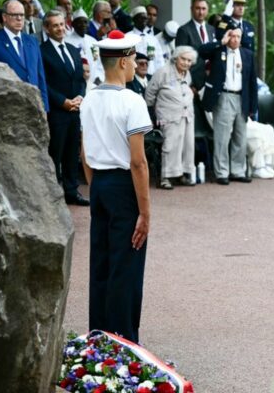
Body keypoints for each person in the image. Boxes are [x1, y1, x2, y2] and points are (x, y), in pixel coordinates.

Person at [80, 30, 152, 343]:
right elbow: (138, 163)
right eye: (134, 58)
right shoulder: (132, 101)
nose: (136, 63)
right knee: (126, 268)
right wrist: (145, 212)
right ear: (123, 61)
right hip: (124, 186)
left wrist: (97, 186)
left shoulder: (89, 98)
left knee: (101, 264)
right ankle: (124, 342)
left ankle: (99, 337)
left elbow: (84, 153)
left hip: (99, 183)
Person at [40, 10, 88, 206]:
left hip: (75, 110)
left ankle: (71, 191)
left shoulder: (73, 50)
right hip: (57, 111)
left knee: (71, 153)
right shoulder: (42, 51)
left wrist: (80, 97)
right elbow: (43, 83)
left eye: (62, 24)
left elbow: (80, 79)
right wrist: (63, 102)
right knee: (55, 153)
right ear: (47, 28)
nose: (60, 28)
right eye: (55, 25)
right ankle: (53, 194)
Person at [199, 29, 258, 185]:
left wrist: (253, 105)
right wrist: (220, 42)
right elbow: (201, 52)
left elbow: (252, 81)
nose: (236, 39)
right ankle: (222, 172)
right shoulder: (218, 51)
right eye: (233, 36)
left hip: (242, 97)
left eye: (238, 36)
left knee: (241, 136)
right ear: (227, 37)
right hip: (224, 96)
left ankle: (237, 171)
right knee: (222, 137)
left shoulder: (247, 54)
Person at [0, 0, 50, 112]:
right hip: (6, 109)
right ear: (4, 17)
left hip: (34, 107)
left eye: (22, 15)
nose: (19, 18)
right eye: (14, 15)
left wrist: (45, 108)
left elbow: (40, 76)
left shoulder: (32, 41)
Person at [144, 46, 197, 189]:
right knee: (170, 145)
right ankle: (165, 177)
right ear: (176, 58)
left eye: (189, 60)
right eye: (183, 59)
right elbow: (150, 93)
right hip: (168, 115)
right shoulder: (163, 72)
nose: (186, 63)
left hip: (186, 115)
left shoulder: (187, 74)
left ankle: (180, 174)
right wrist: (152, 114)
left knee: (187, 146)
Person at [175, 0, 217, 92]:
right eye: (197, 8)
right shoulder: (184, 30)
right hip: (193, 83)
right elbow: (180, 59)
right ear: (191, 9)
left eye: (203, 9)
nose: (201, 12)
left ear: (207, 10)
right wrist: (188, 84)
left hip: (211, 80)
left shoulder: (212, 30)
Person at [67, 8, 104, 85]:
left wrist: (98, 77)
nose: (83, 25)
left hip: (94, 83)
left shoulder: (93, 42)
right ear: (73, 24)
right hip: (76, 84)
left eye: (85, 22)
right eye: (80, 22)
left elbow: (98, 61)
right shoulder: (67, 41)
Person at [126, 6, 165, 76]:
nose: (144, 21)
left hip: (151, 76)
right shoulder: (127, 37)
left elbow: (159, 60)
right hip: (133, 76)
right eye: (141, 18)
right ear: (134, 19)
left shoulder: (152, 39)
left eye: (145, 18)